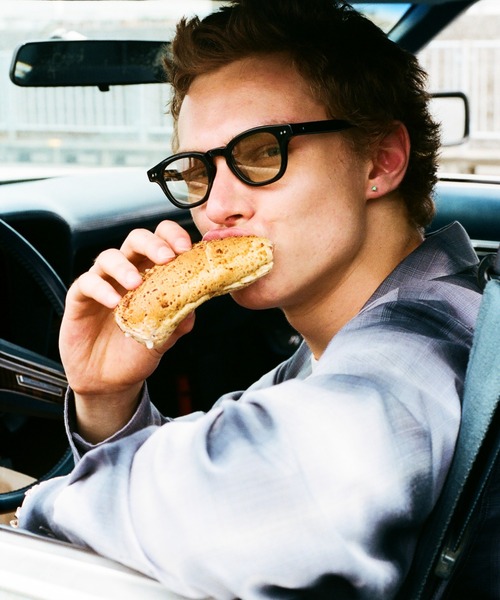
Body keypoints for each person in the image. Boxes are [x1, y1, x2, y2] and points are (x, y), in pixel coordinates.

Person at [17, 1, 483, 598]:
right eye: (197, 171)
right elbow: (239, 464)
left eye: (263, 153)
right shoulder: (340, 342)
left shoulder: (421, 344)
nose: (216, 208)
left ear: (381, 160)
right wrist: (107, 396)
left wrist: (38, 507)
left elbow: (253, 512)